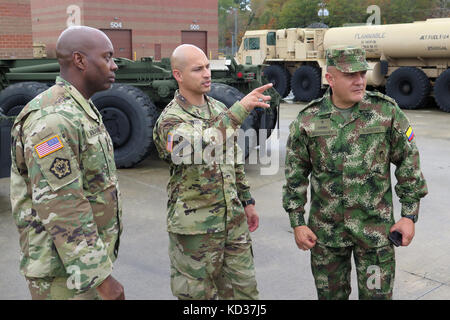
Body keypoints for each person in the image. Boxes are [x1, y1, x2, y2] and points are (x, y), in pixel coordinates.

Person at [282, 45, 428, 300]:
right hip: (326, 236)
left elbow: (409, 161)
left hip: (375, 234)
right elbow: (295, 175)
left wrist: (408, 215)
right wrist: (297, 222)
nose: (360, 81)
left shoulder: (385, 112)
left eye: (362, 73)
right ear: (330, 78)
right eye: (351, 75)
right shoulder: (308, 120)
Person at [10, 26, 125, 300]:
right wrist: (102, 278)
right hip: (64, 273)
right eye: (107, 57)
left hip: (79, 264)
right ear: (80, 60)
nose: (115, 65)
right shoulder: (52, 119)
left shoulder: (78, 108)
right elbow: (63, 204)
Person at [153, 44, 273, 300]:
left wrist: (248, 201)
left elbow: (234, 162)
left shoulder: (219, 110)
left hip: (234, 223)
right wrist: (240, 110)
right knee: (199, 298)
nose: (207, 73)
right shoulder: (170, 121)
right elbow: (197, 148)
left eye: (208, 66)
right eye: (198, 69)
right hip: (196, 231)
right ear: (178, 75)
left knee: (245, 294)